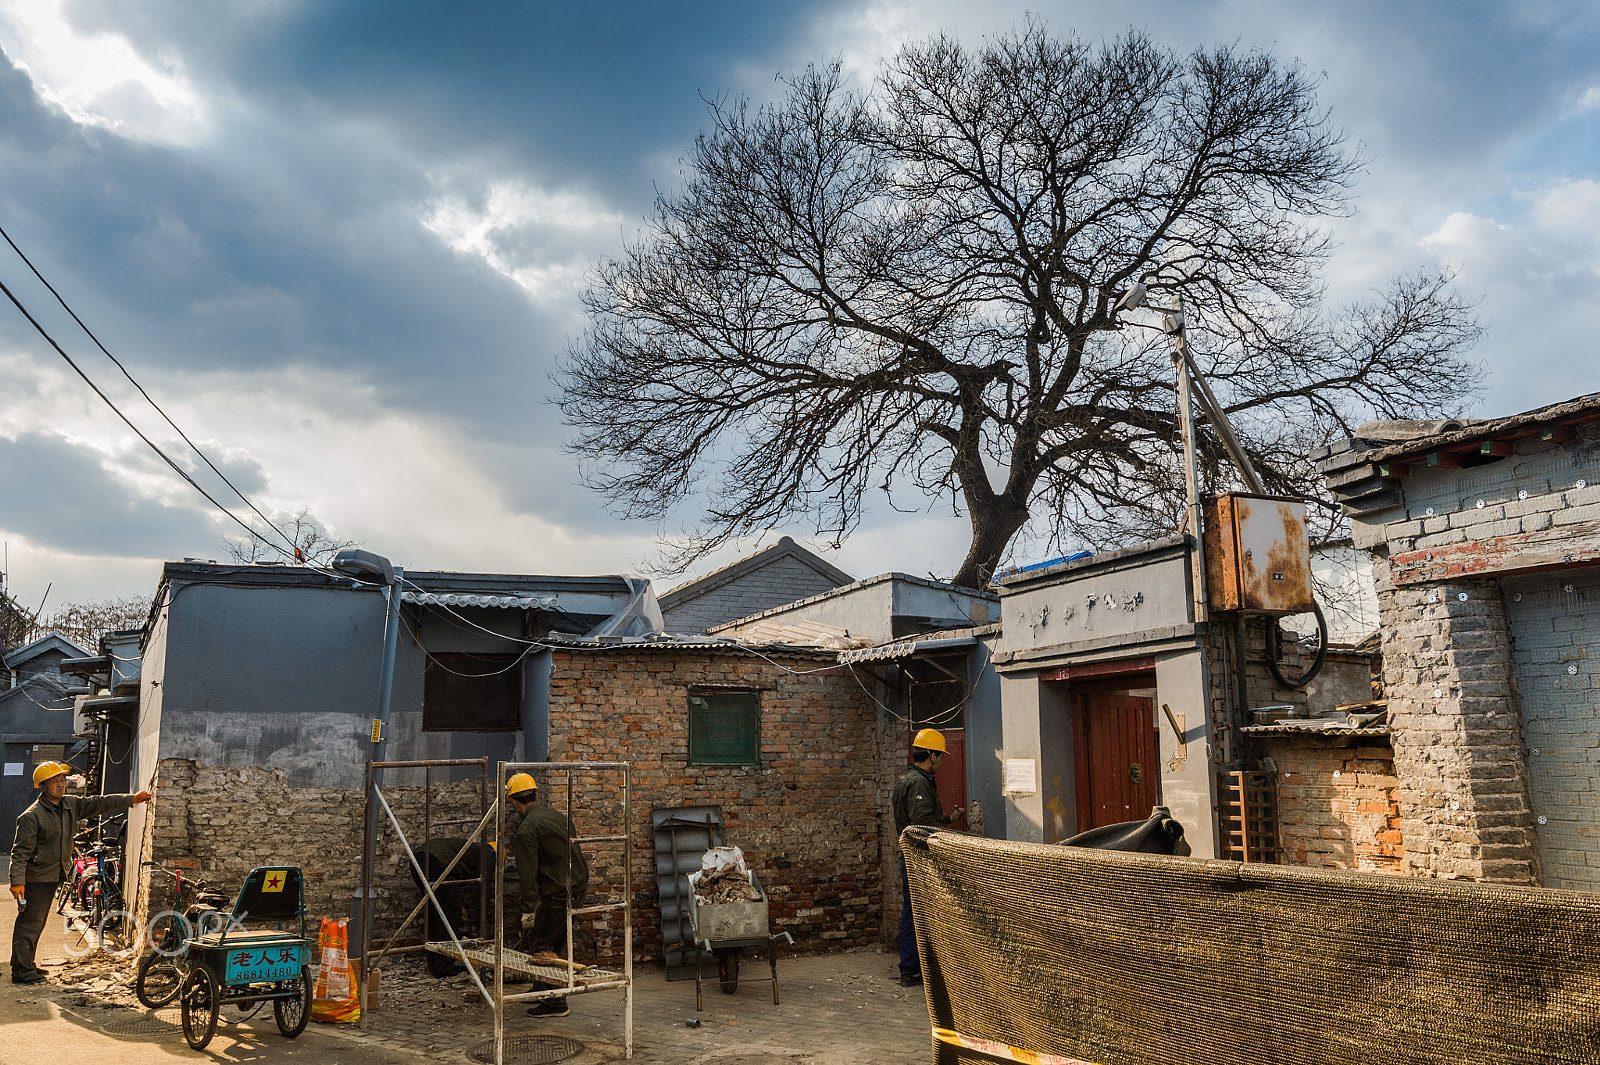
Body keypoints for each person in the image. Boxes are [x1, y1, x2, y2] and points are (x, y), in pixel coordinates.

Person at [9, 762, 152, 984]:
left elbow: (100, 803)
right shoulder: (31, 816)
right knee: (29, 924)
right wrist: (17, 882)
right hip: (35, 878)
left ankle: (26, 965)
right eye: (54, 781)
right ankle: (21, 970)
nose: (60, 784)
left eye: (61, 780)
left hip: (53, 876)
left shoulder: (70, 805)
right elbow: (19, 854)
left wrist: (131, 799)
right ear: (42, 786)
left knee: (37, 924)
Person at [505, 772, 588, 1018]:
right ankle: (543, 987)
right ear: (537, 795)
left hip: (559, 893)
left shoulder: (527, 829)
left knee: (541, 946)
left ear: (514, 802)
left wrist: (528, 910)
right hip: (577, 886)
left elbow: (527, 873)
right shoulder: (556, 816)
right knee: (555, 941)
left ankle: (555, 1003)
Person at [891, 728, 963, 988]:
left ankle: (914, 968)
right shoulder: (919, 782)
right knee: (916, 913)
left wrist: (947, 819)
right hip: (919, 857)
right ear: (931, 756)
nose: (942, 763)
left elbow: (919, 818)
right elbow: (921, 825)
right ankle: (911, 969)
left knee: (913, 911)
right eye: (940, 757)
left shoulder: (907, 780)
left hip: (909, 854)